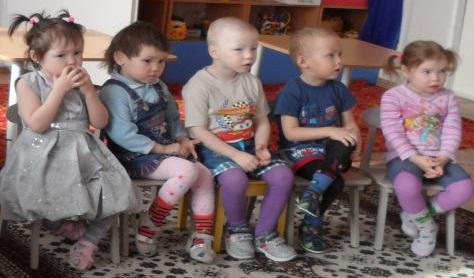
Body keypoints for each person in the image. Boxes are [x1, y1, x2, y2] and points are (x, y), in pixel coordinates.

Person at [0, 10, 137, 270]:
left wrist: (88, 91)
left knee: (117, 192)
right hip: (42, 152)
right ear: (37, 57)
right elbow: (37, 124)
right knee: (43, 196)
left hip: (83, 150)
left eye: (77, 52)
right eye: (61, 55)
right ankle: (61, 224)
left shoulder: (82, 82)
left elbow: (100, 122)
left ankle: (89, 241)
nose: (72, 60)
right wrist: (59, 90)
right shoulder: (28, 83)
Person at [100, 21, 217, 263]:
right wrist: (162, 148)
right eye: (147, 61)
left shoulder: (159, 86)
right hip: (132, 156)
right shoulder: (114, 91)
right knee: (186, 171)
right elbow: (122, 134)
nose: (156, 68)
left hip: (164, 151)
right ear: (120, 58)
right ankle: (150, 224)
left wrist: (182, 138)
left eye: (161, 61)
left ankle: (201, 236)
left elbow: (173, 118)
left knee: (205, 174)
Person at [183, 17, 294, 262]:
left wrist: (261, 145)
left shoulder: (252, 82)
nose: (249, 56)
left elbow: (262, 120)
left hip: (249, 146)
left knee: (283, 176)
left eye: (253, 49)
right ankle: (237, 228)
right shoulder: (198, 85)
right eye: (239, 49)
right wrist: (235, 155)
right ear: (215, 52)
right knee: (235, 180)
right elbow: (198, 131)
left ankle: (265, 234)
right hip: (214, 150)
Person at [379, 40, 474, 257]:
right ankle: (427, 228)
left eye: (442, 71)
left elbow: (452, 130)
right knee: (406, 186)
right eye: (427, 72)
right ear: (406, 71)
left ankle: (416, 214)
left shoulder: (447, 97)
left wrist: (444, 157)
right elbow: (393, 132)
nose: (436, 78)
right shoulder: (393, 97)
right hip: (404, 158)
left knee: (465, 188)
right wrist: (416, 158)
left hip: (439, 157)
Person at [272, 27, 359, 254]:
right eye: (330, 55)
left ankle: (313, 192)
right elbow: (291, 133)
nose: (339, 61)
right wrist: (330, 131)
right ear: (303, 61)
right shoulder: (292, 92)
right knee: (336, 183)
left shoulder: (339, 90)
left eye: (339, 54)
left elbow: (350, 125)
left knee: (345, 140)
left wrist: (355, 141)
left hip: (331, 153)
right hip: (300, 153)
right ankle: (311, 225)